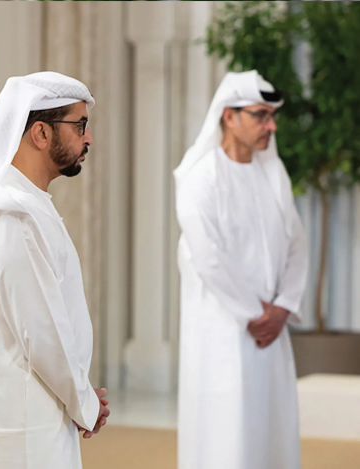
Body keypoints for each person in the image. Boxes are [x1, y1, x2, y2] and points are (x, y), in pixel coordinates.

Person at [0, 71, 110, 469]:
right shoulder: (11, 216)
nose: (88, 138)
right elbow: (42, 333)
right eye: (80, 125)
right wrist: (85, 403)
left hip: (33, 409)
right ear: (41, 133)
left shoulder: (23, 205)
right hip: (22, 422)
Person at [174, 70, 309, 469]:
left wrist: (283, 307)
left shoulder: (273, 174)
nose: (271, 126)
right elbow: (207, 256)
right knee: (225, 432)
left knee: (272, 429)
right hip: (223, 329)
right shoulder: (200, 177)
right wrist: (255, 314)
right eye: (260, 115)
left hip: (271, 330)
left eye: (272, 116)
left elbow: (297, 244)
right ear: (229, 116)